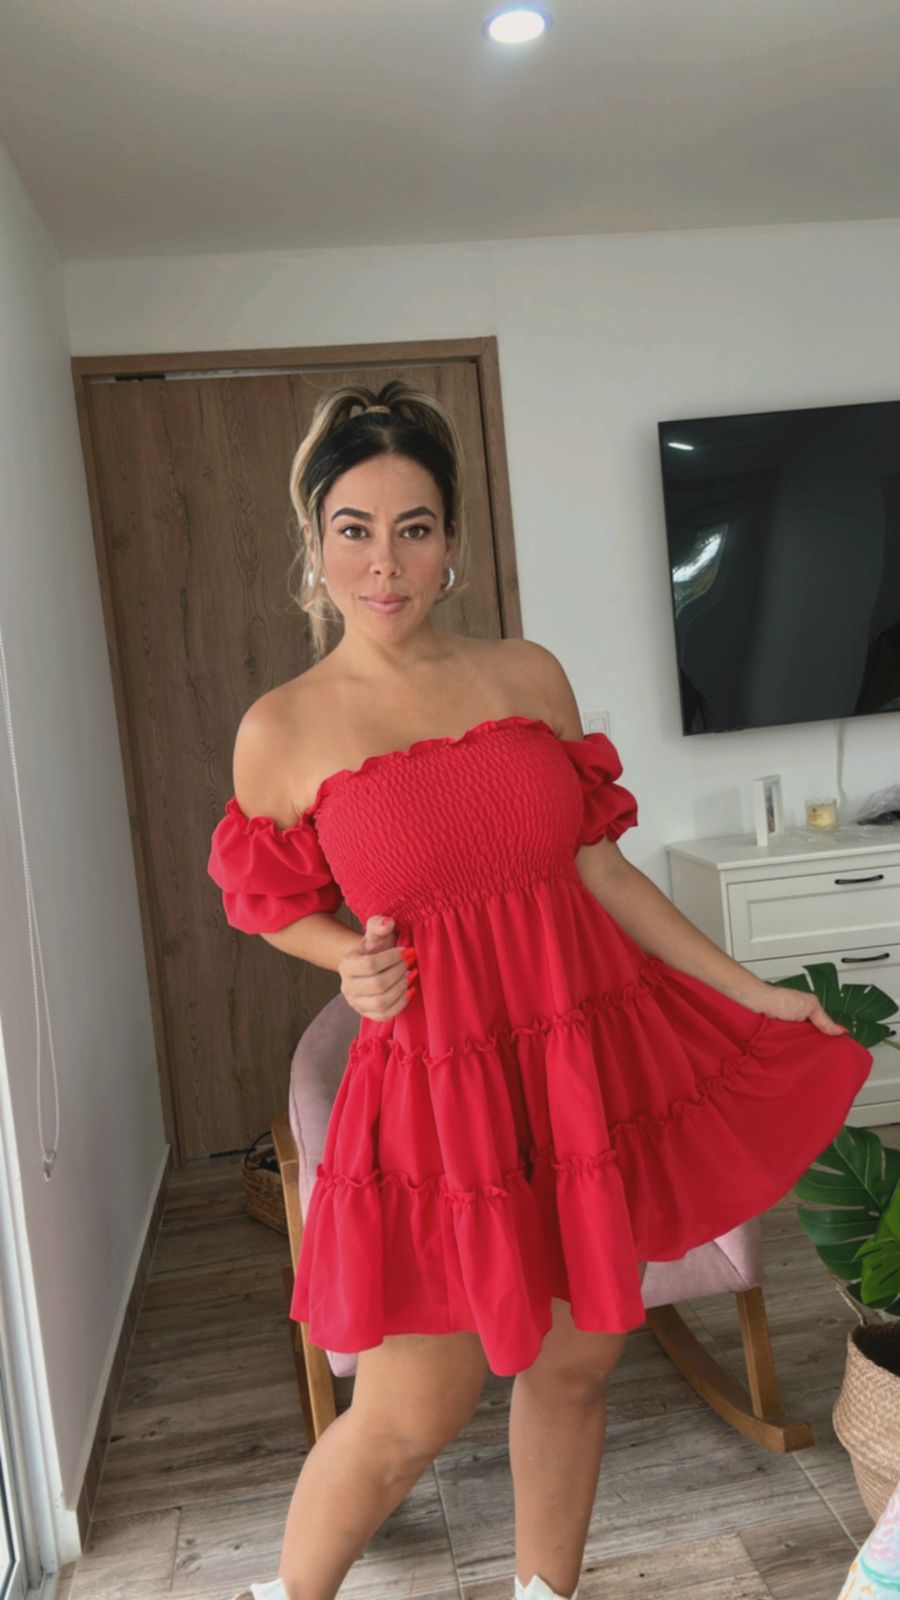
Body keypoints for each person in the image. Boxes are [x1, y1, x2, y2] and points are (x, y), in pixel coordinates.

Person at [208, 380, 874, 1600]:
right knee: (410, 1412)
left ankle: (543, 1593)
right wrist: (341, 956)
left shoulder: (526, 676)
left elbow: (603, 869)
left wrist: (758, 994)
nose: (385, 561)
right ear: (314, 541)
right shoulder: (283, 729)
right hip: (435, 1091)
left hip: (576, 1062)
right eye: (355, 527)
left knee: (577, 1366)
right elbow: (262, 899)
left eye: (414, 527)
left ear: (453, 541)